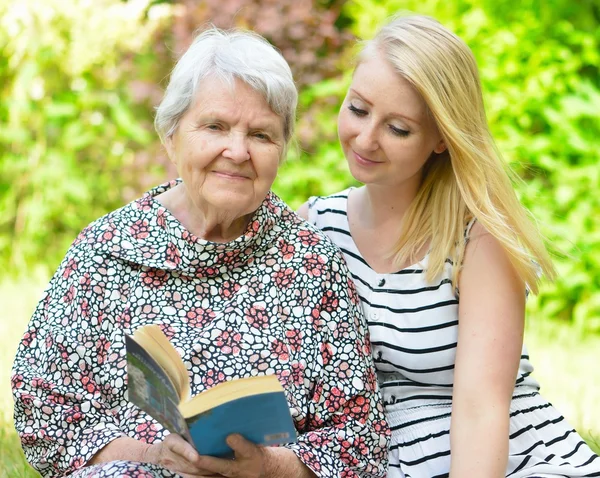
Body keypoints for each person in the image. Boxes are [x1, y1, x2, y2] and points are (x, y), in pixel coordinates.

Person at [11, 27, 390, 478]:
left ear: (281, 151)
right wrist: (155, 457)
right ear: (171, 135)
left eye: (262, 136)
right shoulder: (106, 250)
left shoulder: (309, 262)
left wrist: (266, 466)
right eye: (215, 126)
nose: (237, 151)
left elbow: (361, 439)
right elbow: (43, 408)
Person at [298, 13, 600, 478]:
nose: (366, 138)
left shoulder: (478, 238)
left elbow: (481, 408)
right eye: (358, 109)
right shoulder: (316, 226)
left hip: (509, 466)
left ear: (442, 138)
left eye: (398, 128)